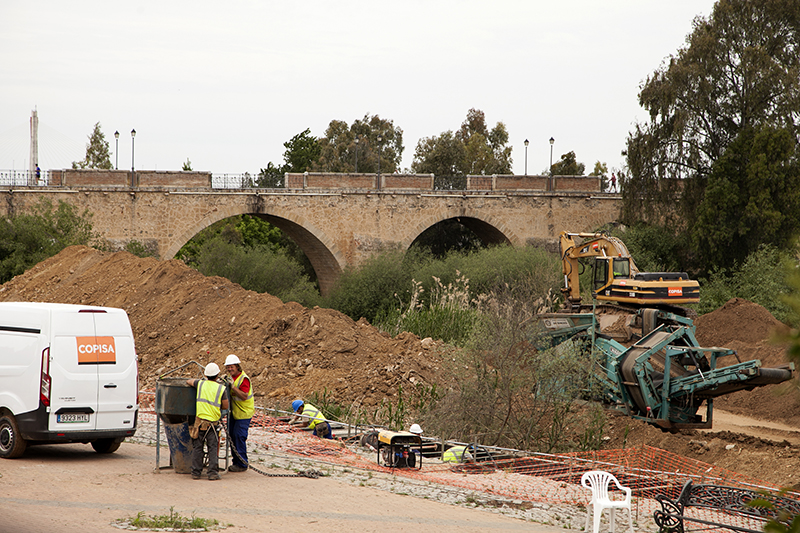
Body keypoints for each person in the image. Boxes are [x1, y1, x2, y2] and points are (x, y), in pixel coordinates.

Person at [186, 362, 229, 480]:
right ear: (217, 375)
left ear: (205, 375)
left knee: (197, 448)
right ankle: (212, 473)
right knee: (212, 448)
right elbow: (225, 406)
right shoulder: (221, 388)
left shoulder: (200, 384)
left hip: (199, 423)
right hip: (212, 424)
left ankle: (195, 473)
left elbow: (189, 381)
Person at [224, 354, 253, 472]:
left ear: (237, 366)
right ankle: (236, 462)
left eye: (232, 367)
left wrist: (232, 387)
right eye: (228, 367)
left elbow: (244, 396)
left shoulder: (243, 379)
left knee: (239, 437)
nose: (230, 369)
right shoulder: (231, 378)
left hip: (244, 413)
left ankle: (242, 464)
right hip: (235, 413)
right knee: (232, 437)